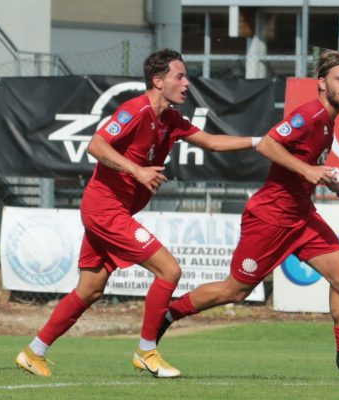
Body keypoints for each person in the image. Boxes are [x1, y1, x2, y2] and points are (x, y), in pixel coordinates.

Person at [15, 49, 260, 378]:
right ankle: (147, 351)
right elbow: (96, 145)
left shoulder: (170, 119)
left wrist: (261, 140)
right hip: (104, 209)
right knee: (169, 271)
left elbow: (213, 142)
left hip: (110, 211)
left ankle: (34, 351)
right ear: (158, 81)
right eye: (179, 76)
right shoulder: (135, 110)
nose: (186, 83)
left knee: (89, 289)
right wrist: (137, 171)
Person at [155, 50, 339, 374]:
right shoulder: (309, 115)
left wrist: (331, 183)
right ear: (321, 83)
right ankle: (168, 314)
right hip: (270, 218)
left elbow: (307, 163)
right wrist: (308, 173)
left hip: (301, 217)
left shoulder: (327, 122)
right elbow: (267, 144)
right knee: (234, 291)